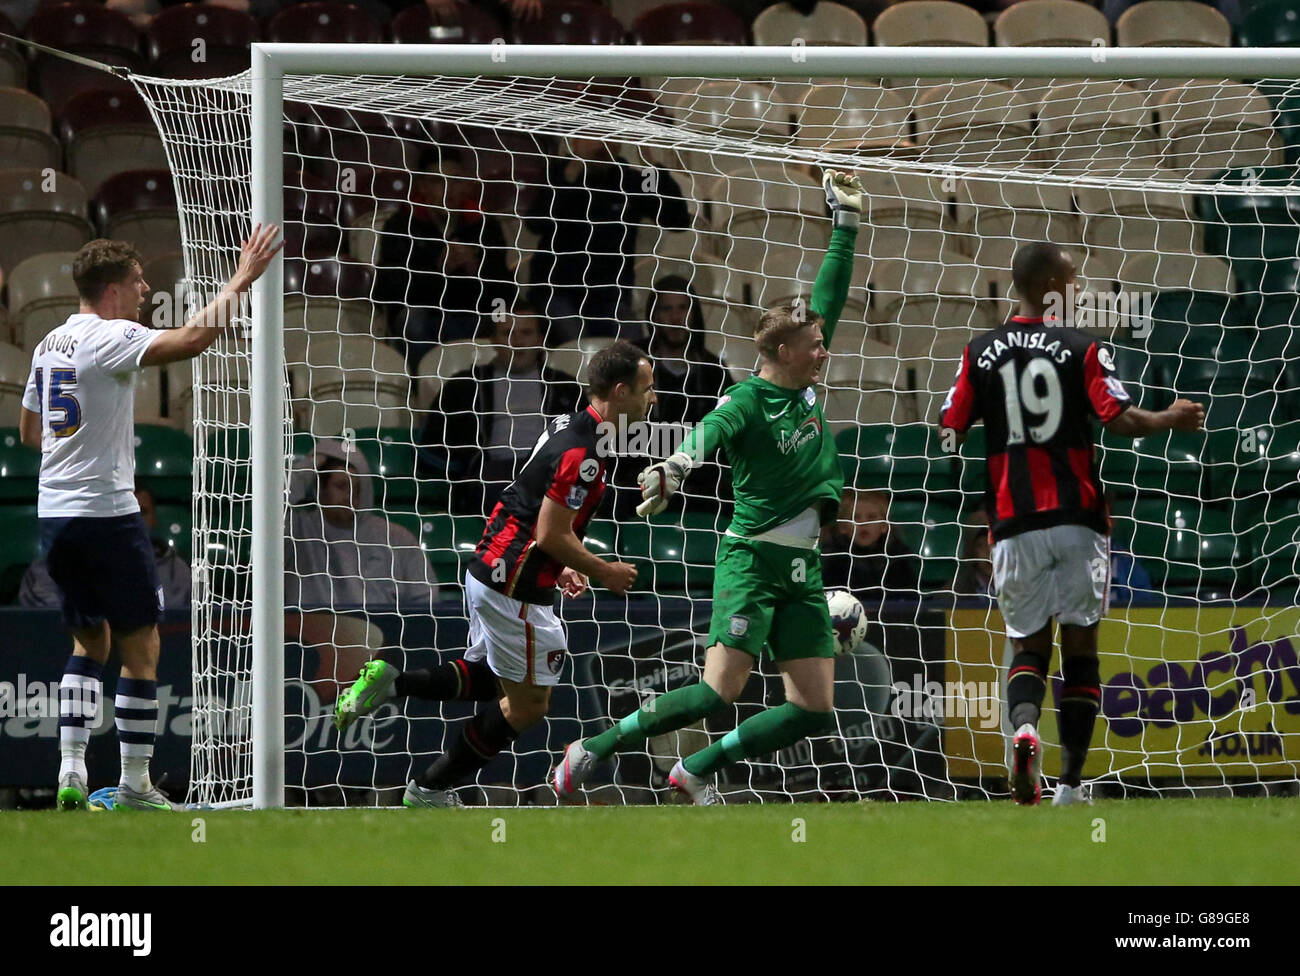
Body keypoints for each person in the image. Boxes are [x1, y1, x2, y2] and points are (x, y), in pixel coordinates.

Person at [552, 170, 864, 805]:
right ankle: (592, 749)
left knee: (813, 709)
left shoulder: (802, 386)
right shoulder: (747, 399)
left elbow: (828, 293)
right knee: (715, 691)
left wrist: (846, 226)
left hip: (802, 564)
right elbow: (707, 434)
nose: (824, 350)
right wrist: (672, 468)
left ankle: (695, 767)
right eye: (815, 343)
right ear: (783, 348)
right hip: (749, 558)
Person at [19, 225, 283, 811]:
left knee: (90, 643)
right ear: (112, 288)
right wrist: (242, 278)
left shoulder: (47, 343)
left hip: (55, 517)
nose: (145, 290)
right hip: (108, 515)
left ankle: (71, 773)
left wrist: (76, 454)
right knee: (142, 651)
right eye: (138, 281)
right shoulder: (110, 336)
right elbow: (191, 341)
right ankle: (136, 785)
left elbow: (31, 433)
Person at [937, 240, 1204, 807]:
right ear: (1053, 287)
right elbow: (1120, 419)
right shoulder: (1082, 347)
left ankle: (1026, 729)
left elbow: (950, 426)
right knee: (1081, 650)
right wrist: (1170, 418)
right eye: (1073, 280)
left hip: (1013, 521)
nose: (1079, 289)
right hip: (1079, 518)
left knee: (1028, 647)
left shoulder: (980, 351)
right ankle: (1071, 786)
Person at [334, 341, 651, 807]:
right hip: (513, 585)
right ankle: (429, 788)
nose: (654, 398)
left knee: (496, 677)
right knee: (528, 705)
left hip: (494, 566)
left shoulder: (568, 424)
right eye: (648, 388)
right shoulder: (583, 454)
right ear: (621, 392)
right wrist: (602, 569)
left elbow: (529, 501)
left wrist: (561, 563)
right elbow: (547, 532)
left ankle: (393, 685)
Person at [285, 437, 440, 703]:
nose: (350, 496)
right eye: (341, 486)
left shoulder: (396, 537)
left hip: (383, 657)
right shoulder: (294, 531)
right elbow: (268, 505)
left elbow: (425, 602)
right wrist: (314, 463)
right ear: (319, 488)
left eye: (357, 488)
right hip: (305, 657)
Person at [417, 307, 582, 515]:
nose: (517, 341)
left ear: (540, 339)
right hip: (492, 474)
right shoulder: (464, 386)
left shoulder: (565, 386)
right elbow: (432, 447)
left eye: (526, 333)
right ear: (494, 340)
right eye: (507, 333)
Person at [524, 137, 691, 342]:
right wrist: (572, 172)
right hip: (557, 293)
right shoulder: (557, 174)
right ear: (575, 142)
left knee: (633, 346)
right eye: (592, 137)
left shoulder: (628, 181)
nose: (601, 144)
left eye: (611, 139)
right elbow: (535, 223)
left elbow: (677, 220)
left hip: (610, 296)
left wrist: (652, 167)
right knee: (576, 345)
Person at [375, 151, 514, 363]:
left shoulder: (486, 225)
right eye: (438, 181)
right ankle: (425, 388)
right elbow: (388, 290)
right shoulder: (401, 225)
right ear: (422, 187)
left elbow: (505, 290)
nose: (449, 189)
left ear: (467, 186)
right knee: (414, 320)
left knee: (506, 318)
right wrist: (439, 270)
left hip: (475, 311)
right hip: (427, 314)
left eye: (456, 181)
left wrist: (474, 268)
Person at [19, 480, 192, 610]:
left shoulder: (175, 570)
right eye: (125, 513)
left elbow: (179, 625)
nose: (134, 522)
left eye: (142, 513)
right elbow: (43, 621)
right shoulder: (55, 565)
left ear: (154, 518)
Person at [821, 487, 921, 610]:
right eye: (856, 518)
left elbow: (907, 598)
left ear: (884, 526)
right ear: (843, 527)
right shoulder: (835, 558)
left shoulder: (897, 556)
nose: (863, 523)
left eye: (871, 517)